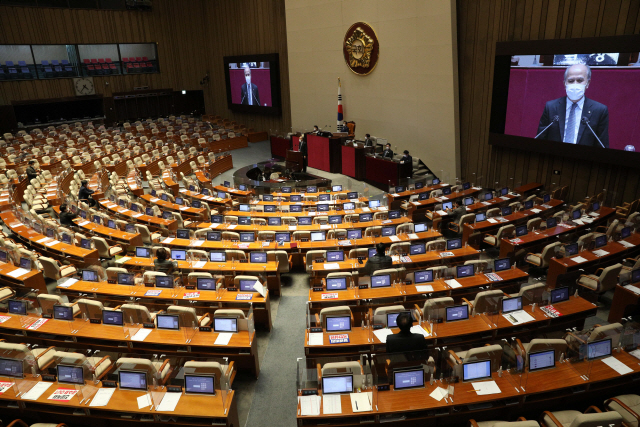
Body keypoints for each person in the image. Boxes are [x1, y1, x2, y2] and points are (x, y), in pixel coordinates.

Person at [536, 64, 609, 148]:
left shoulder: (599, 110)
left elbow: (602, 145)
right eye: (570, 81)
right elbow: (540, 139)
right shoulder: (551, 107)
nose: (575, 84)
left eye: (580, 80)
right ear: (565, 84)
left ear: (588, 83)